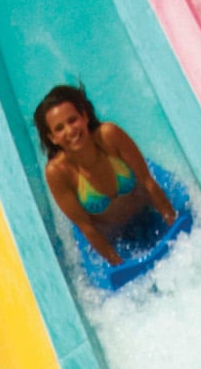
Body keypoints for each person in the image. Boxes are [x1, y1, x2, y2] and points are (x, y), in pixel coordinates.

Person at [34, 86, 178, 267]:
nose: (70, 131)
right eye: (60, 128)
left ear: (84, 116)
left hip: (150, 213)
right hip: (118, 241)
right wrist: (118, 264)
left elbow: (147, 181)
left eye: (72, 120)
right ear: (52, 138)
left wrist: (174, 225)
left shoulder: (110, 136)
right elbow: (86, 226)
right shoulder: (58, 173)